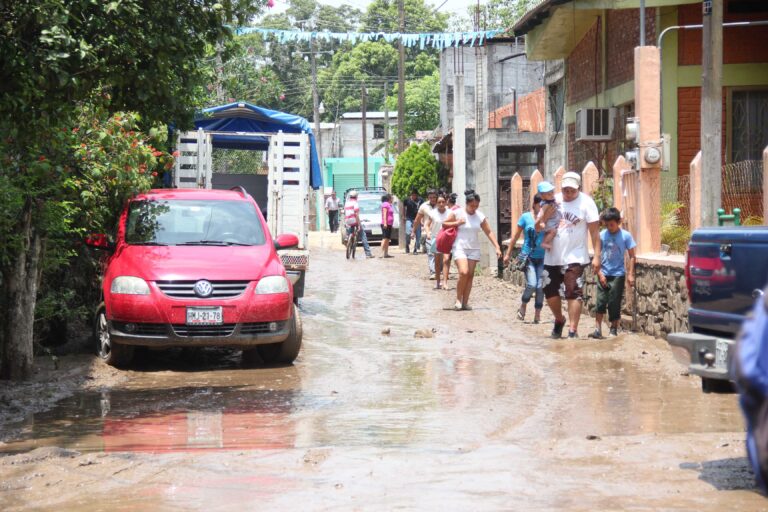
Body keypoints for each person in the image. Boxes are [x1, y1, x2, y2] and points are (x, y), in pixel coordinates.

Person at [540, 171, 601, 339]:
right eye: (565, 190)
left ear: (578, 188)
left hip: (575, 256)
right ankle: (559, 319)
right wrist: (545, 214)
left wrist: (597, 256)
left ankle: (572, 330)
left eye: (572, 190)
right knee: (549, 291)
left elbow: (595, 233)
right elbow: (539, 226)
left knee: (573, 291)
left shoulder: (587, 203)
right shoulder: (553, 201)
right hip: (552, 256)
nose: (568, 193)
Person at [443, 190, 502, 310]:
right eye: (472, 206)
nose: (474, 208)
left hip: (474, 248)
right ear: (466, 203)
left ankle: (465, 302)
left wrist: (497, 246)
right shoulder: (458, 213)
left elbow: (488, 231)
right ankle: (458, 300)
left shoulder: (480, 216)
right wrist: (457, 222)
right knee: (463, 272)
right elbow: (444, 224)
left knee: (470, 275)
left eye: (476, 206)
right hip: (459, 247)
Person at [588, 207, 637, 339]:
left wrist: (631, 274)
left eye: (612, 224)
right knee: (600, 301)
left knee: (614, 302)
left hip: (618, 275)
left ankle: (614, 328)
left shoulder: (626, 236)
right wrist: (600, 274)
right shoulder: (602, 235)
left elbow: (632, 255)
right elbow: (597, 256)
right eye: (607, 224)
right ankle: (597, 329)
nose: (609, 227)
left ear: (618, 222)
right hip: (603, 272)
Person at [503, 193, 546, 324]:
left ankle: (537, 314)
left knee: (540, 287)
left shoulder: (548, 219)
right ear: (534, 204)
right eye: (540, 205)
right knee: (532, 284)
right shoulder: (525, 218)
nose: (543, 208)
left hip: (544, 258)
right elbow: (515, 236)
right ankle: (523, 305)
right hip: (529, 257)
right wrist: (508, 253)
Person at [425, 194, 450, 289]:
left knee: (446, 259)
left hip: (447, 238)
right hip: (436, 238)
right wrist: (428, 234)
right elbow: (427, 225)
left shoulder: (450, 212)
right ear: (437, 203)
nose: (441, 204)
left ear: (446, 202)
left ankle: (445, 282)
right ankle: (438, 281)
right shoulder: (433, 213)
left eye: (443, 202)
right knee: (437, 261)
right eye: (439, 202)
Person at [412, 189, 438, 277]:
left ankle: (439, 270)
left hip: (441, 232)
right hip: (429, 233)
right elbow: (417, 220)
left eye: (434, 197)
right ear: (428, 197)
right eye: (431, 197)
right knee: (431, 253)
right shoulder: (423, 206)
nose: (433, 199)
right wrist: (413, 231)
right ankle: (433, 272)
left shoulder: (441, 205)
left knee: (439, 254)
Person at [343, 190, 373, 259]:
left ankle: (348, 237)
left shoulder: (346, 203)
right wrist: (359, 224)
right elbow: (356, 214)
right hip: (354, 220)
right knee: (363, 235)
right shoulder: (355, 203)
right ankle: (368, 253)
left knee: (350, 229)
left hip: (347, 221)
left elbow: (345, 212)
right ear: (356, 197)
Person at [535, 181, 562, 250]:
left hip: (552, 221)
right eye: (548, 194)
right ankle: (545, 243)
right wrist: (542, 222)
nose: (552, 195)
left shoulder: (551, 200)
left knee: (550, 232)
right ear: (542, 196)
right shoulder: (545, 204)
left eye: (552, 192)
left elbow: (555, 203)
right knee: (553, 231)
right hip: (550, 222)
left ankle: (547, 242)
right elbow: (541, 213)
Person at [403, 190, 422, 254]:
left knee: (418, 235)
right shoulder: (407, 200)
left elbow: (422, 209)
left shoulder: (420, 200)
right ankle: (407, 244)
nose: (414, 196)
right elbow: (404, 208)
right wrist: (404, 216)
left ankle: (415, 249)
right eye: (413, 195)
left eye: (415, 195)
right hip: (409, 218)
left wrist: (422, 220)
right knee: (408, 232)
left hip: (418, 219)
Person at [380, 193, 395, 258]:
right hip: (385, 224)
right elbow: (384, 214)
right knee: (385, 238)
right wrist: (385, 223)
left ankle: (386, 253)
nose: (392, 199)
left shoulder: (389, 205)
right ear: (389, 198)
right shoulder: (385, 204)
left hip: (389, 224)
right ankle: (381, 253)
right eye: (391, 198)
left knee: (387, 239)